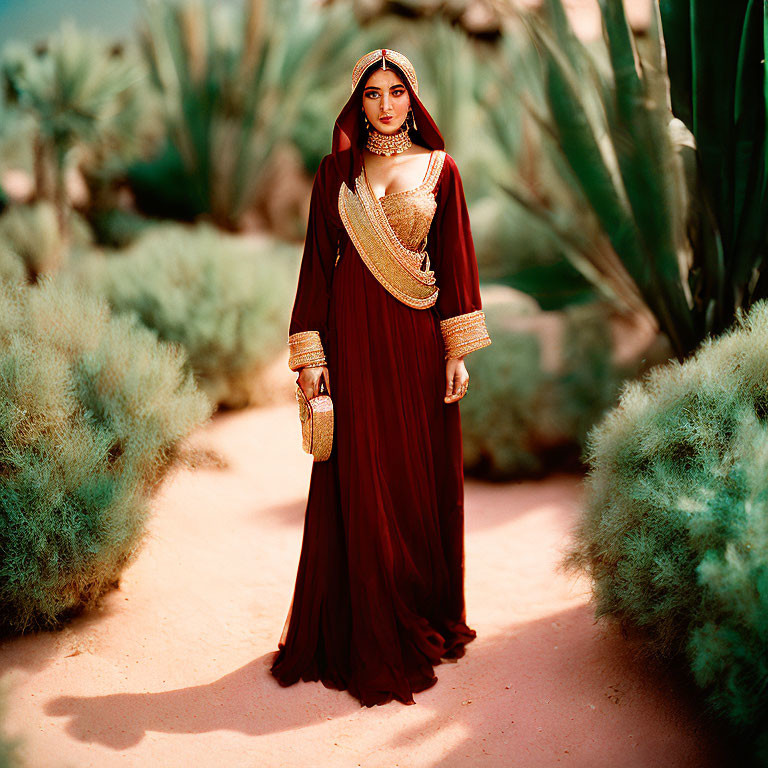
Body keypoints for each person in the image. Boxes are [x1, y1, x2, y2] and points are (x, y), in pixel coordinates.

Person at [270, 48, 491, 707]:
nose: (385, 103)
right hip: (352, 341)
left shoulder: (441, 170)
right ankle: (364, 624)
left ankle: (421, 607)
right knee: (360, 479)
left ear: (412, 97)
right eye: (372, 93)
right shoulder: (335, 172)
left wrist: (457, 349)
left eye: (396, 91)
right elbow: (316, 264)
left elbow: (455, 260)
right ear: (358, 101)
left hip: (416, 343)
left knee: (414, 479)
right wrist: (312, 355)